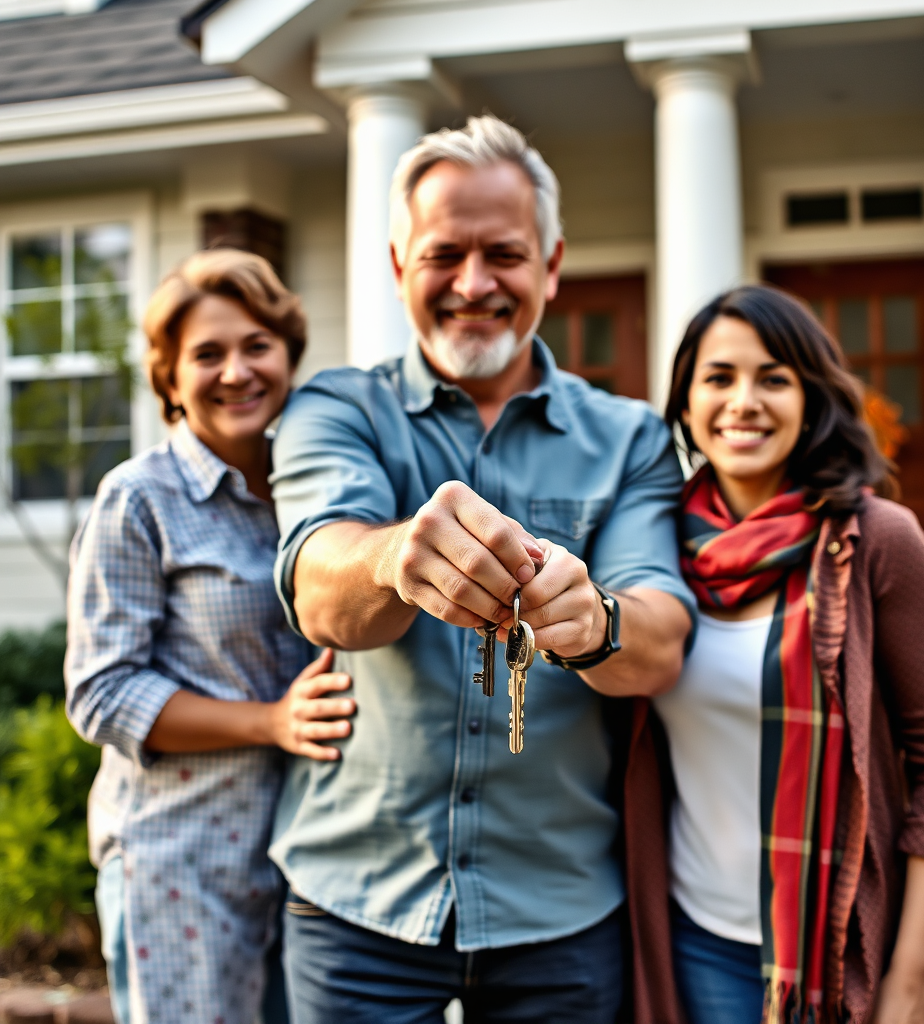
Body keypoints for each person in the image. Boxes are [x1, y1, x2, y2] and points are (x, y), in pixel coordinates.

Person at [269, 114, 695, 1024]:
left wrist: (598, 622)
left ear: (550, 265)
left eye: (503, 253)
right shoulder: (334, 410)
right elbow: (318, 587)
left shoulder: (630, 439)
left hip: (563, 909)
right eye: (442, 255)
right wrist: (391, 557)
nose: (473, 283)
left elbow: (659, 643)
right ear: (397, 266)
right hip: (354, 902)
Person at [622, 285, 924, 1024]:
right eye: (719, 378)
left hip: (841, 950)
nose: (744, 401)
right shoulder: (651, 546)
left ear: (812, 396)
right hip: (692, 945)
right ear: (686, 403)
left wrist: (914, 977)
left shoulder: (879, 543)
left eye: (773, 378)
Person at [65, 250, 357, 1024]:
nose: (237, 371)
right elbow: (101, 693)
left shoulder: (315, 492)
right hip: (180, 863)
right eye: (207, 354)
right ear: (168, 377)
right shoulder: (138, 501)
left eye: (257, 346)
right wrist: (269, 722)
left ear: (290, 356)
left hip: (309, 858)